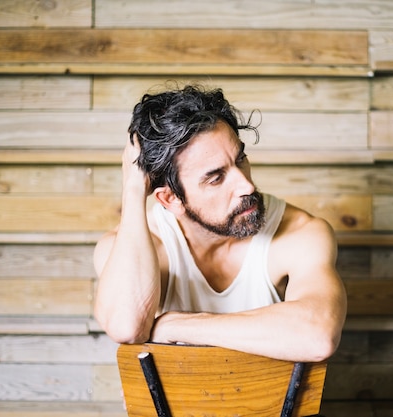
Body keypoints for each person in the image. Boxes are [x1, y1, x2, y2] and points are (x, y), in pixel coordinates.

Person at [93, 84, 347, 362]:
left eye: (241, 159)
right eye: (216, 178)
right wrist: (132, 190)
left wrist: (173, 325)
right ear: (170, 199)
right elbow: (127, 328)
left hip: (274, 405)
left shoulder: (300, 232)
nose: (247, 186)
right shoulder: (133, 246)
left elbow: (317, 336)